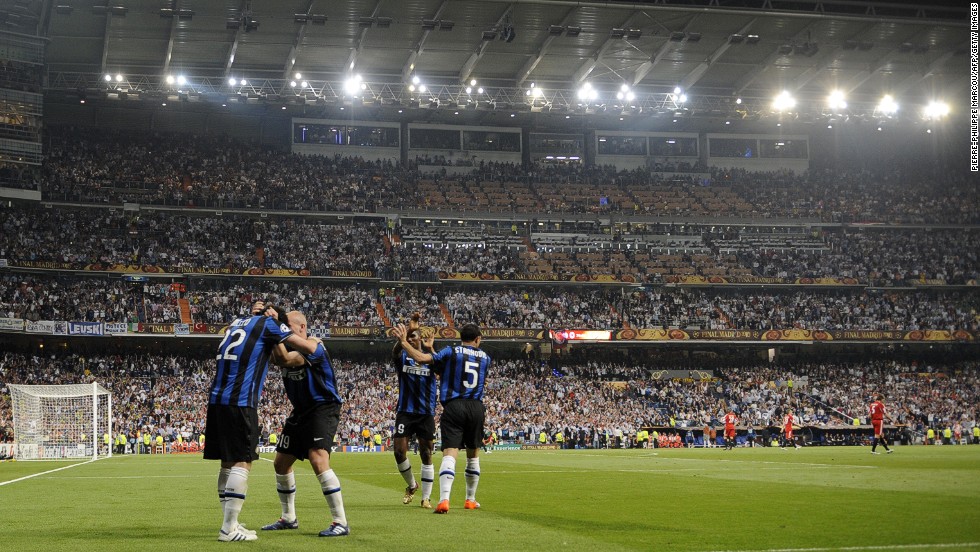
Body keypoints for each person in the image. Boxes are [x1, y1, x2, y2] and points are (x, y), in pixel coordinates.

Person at [203, 300, 318, 542]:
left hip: (217, 398)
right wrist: (310, 339)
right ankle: (228, 529)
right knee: (243, 462)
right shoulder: (270, 325)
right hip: (240, 400)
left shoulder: (236, 323)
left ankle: (231, 522)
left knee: (227, 462)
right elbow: (306, 347)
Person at [262, 310, 349, 537]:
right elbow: (277, 357)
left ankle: (340, 522)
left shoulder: (314, 345)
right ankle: (289, 518)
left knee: (317, 458)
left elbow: (287, 358)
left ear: (301, 328)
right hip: (301, 411)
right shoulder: (287, 349)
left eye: (286, 326)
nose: (282, 329)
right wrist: (271, 327)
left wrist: (274, 327)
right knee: (281, 463)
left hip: (323, 407)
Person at [393, 322, 491, 514]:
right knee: (473, 456)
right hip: (476, 406)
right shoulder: (486, 357)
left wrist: (406, 342)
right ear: (478, 339)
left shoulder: (451, 351)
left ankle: (444, 499)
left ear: (460, 336)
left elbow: (426, 360)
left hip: (453, 406)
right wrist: (429, 347)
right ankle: (470, 499)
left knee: (449, 453)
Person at [391, 315, 438, 509]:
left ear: (421, 339)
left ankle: (426, 498)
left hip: (426, 412)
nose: (411, 339)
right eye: (409, 337)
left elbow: (440, 365)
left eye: (414, 337)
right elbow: (395, 352)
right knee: (399, 452)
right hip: (406, 411)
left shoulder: (430, 358)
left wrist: (430, 348)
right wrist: (403, 337)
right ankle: (412, 485)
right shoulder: (403, 357)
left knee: (426, 453)